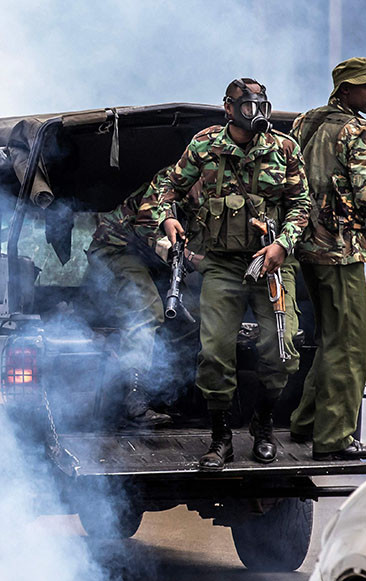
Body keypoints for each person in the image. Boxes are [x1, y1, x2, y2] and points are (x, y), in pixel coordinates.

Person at [138, 78, 311, 469]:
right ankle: (221, 438)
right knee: (215, 353)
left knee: (281, 348)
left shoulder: (284, 149)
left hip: (271, 264)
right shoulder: (205, 144)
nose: (257, 115)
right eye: (247, 107)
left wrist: (282, 243)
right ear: (229, 109)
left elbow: (302, 204)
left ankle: (263, 423)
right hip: (222, 265)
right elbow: (166, 184)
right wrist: (166, 216)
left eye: (261, 106)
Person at [288, 57, 366, 459]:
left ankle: (306, 423)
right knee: (351, 346)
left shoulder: (305, 121)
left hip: (304, 248)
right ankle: (334, 439)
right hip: (340, 253)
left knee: (330, 341)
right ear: (344, 90)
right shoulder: (359, 130)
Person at [85, 166, 201, 427]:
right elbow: (148, 228)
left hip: (155, 263)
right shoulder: (171, 178)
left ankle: (167, 393)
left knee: (196, 315)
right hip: (115, 249)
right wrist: (191, 258)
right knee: (146, 307)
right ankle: (135, 397)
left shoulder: (221, 186)